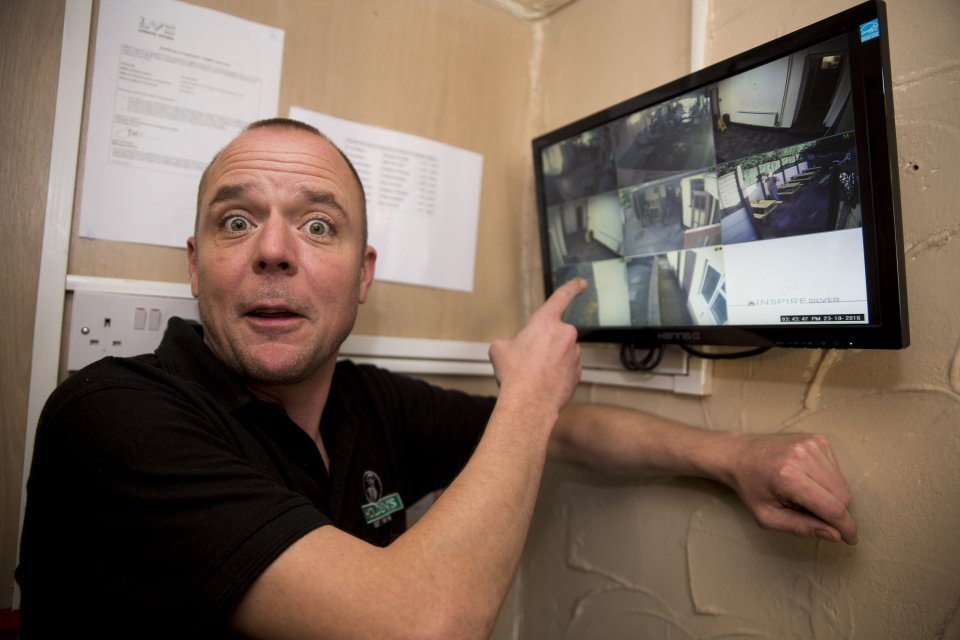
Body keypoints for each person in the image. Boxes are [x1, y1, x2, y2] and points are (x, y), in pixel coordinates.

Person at [16, 118, 857, 639]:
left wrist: (735, 454)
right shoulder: (110, 418)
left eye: (317, 224)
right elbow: (420, 625)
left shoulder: (367, 399)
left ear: (363, 272)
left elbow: (567, 433)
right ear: (196, 268)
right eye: (236, 222)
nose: (273, 249)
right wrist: (530, 394)